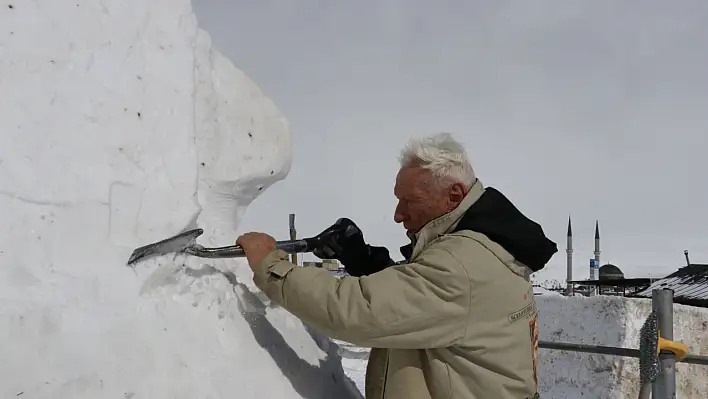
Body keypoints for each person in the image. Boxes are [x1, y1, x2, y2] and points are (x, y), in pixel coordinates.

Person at [236, 132, 557, 399]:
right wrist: (364, 261)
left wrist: (271, 263)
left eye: (409, 201)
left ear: (454, 195)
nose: (398, 215)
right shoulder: (484, 246)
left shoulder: (461, 264)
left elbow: (359, 312)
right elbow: (425, 303)